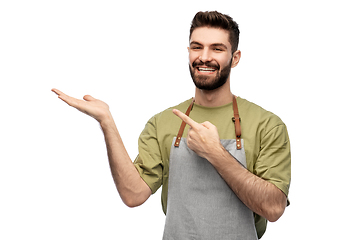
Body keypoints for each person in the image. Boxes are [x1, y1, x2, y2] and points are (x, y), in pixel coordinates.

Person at [52, 11, 291, 239]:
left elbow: (273, 208)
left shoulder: (267, 125)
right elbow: (133, 194)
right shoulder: (163, 122)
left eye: (217, 48)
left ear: (235, 58)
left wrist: (216, 153)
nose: (204, 57)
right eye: (197, 47)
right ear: (188, 52)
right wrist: (106, 122)